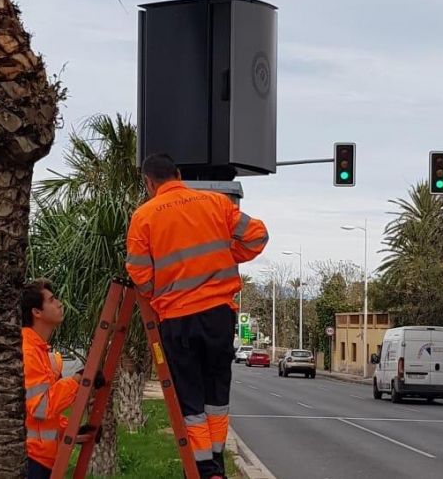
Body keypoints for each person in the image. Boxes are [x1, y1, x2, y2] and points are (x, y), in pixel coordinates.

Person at [125, 153, 268, 479]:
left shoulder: (144, 217)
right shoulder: (214, 203)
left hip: (177, 317)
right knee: (216, 391)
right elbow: (257, 236)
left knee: (189, 394)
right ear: (178, 174)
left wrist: (156, 290)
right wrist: (226, 255)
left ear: (149, 183)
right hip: (218, 314)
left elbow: (138, 271)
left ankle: (204, 467)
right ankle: (216, 460)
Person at [21, 278, 98, 479]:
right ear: (36, 312)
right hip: (34, 460)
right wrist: (76, 380)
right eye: (52, 300)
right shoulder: (28, 352)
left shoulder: (39, 351)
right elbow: (40, 407)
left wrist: (71, 430)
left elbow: (43, 416)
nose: (59, 303)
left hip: (43, 457)